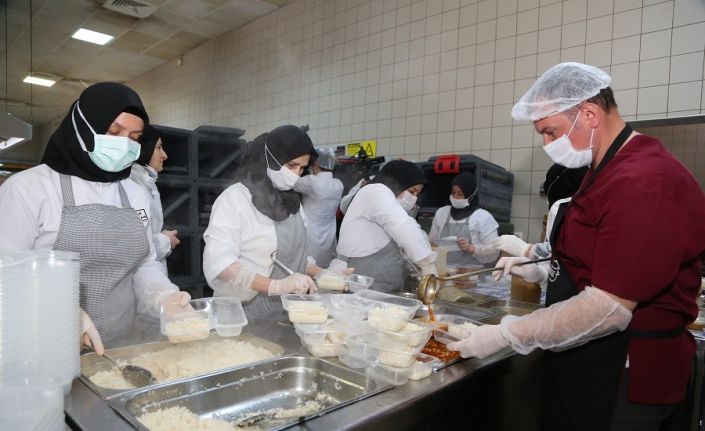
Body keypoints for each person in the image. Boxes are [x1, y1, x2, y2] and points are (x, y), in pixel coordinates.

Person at [447, 62, 705, 431]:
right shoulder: (603, 171)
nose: (547, 145)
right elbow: (591, 255)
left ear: (589, 114)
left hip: (623, 373)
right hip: (584, 359)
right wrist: (542, 268)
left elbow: (609, 308)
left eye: (550, 132)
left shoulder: (644, 180)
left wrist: (505, 335)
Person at [0, 82, 190, 353]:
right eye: (114, 132)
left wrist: (166, 297)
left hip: (121, 347)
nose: (124, 144)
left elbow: (143, 265)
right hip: (44, 350)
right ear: (82, 128)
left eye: (134, 138)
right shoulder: (30, 188)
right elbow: (6, 274)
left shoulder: (135, 193)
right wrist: (60, 311)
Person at [202, 125, 323, 322]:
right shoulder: (235, 199)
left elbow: (294, 256)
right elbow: (220, 264)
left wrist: (325, 274)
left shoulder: (292, 203)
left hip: (283, 317)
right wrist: (275, 286)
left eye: (301, 168)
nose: (296, 174)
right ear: (270, 158)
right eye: (291, 165)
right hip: (242, 314)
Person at [335, 160, 436, 292]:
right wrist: (427, 263)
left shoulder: (391, 203)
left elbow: (412, 230)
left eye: (417, 194)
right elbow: (403, 227)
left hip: (380, 290)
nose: (413, 198)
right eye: (412, 191)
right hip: (361, 285)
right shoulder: (376, 192)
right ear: (397, 182)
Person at [493, 164, 587, 260]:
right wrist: (540, 270)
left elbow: (569, 254)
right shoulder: (568, 211)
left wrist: (527, 250)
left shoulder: (568, 212)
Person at [130, 125, 180, 274]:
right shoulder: (133, 186)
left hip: (151, 278)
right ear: (145, 148)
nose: (165, 155)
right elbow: (134, 250)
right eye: (159, 148)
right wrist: (165, 241)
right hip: (137, 286)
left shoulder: (146, 182)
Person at [427, 172, 499, 266]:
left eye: (460, 194)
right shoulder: (442, 213)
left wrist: (471, 248)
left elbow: (494, 251)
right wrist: (433, 245)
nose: (455, 197)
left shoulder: (483, 217)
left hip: (471, 276)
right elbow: (431, 241)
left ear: (471, 195)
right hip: (444, 273)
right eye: (453, 193)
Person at [294, 147, 343, 267]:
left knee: (309, 268)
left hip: (310, 234)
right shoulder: (338, 184)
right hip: (329, 235)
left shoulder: (312, 182)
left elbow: (289, 182)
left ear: (315, 165)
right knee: (324, 271)